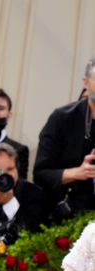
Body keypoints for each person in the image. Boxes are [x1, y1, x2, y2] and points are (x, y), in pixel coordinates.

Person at [34, 57, 95, 217]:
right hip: (68, 214)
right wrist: (78, 173)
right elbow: (40, 175)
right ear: (86, 83)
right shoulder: (62, 118)